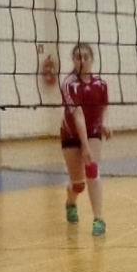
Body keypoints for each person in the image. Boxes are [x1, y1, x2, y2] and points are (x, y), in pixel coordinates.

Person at [59, 43, 111, 236]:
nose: (82, 61)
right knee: (79, 184)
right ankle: (70, 202)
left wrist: (104, 124)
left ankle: (98, 219)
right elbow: (78, 115)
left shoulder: (101, 84)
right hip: (71, 134)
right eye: (78, 57)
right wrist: (85, 146)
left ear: (92, 59)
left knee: (92, 169)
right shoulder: (69, 84)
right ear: (73, 60)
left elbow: (104, 106)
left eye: (85, 57)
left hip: (93, 131)